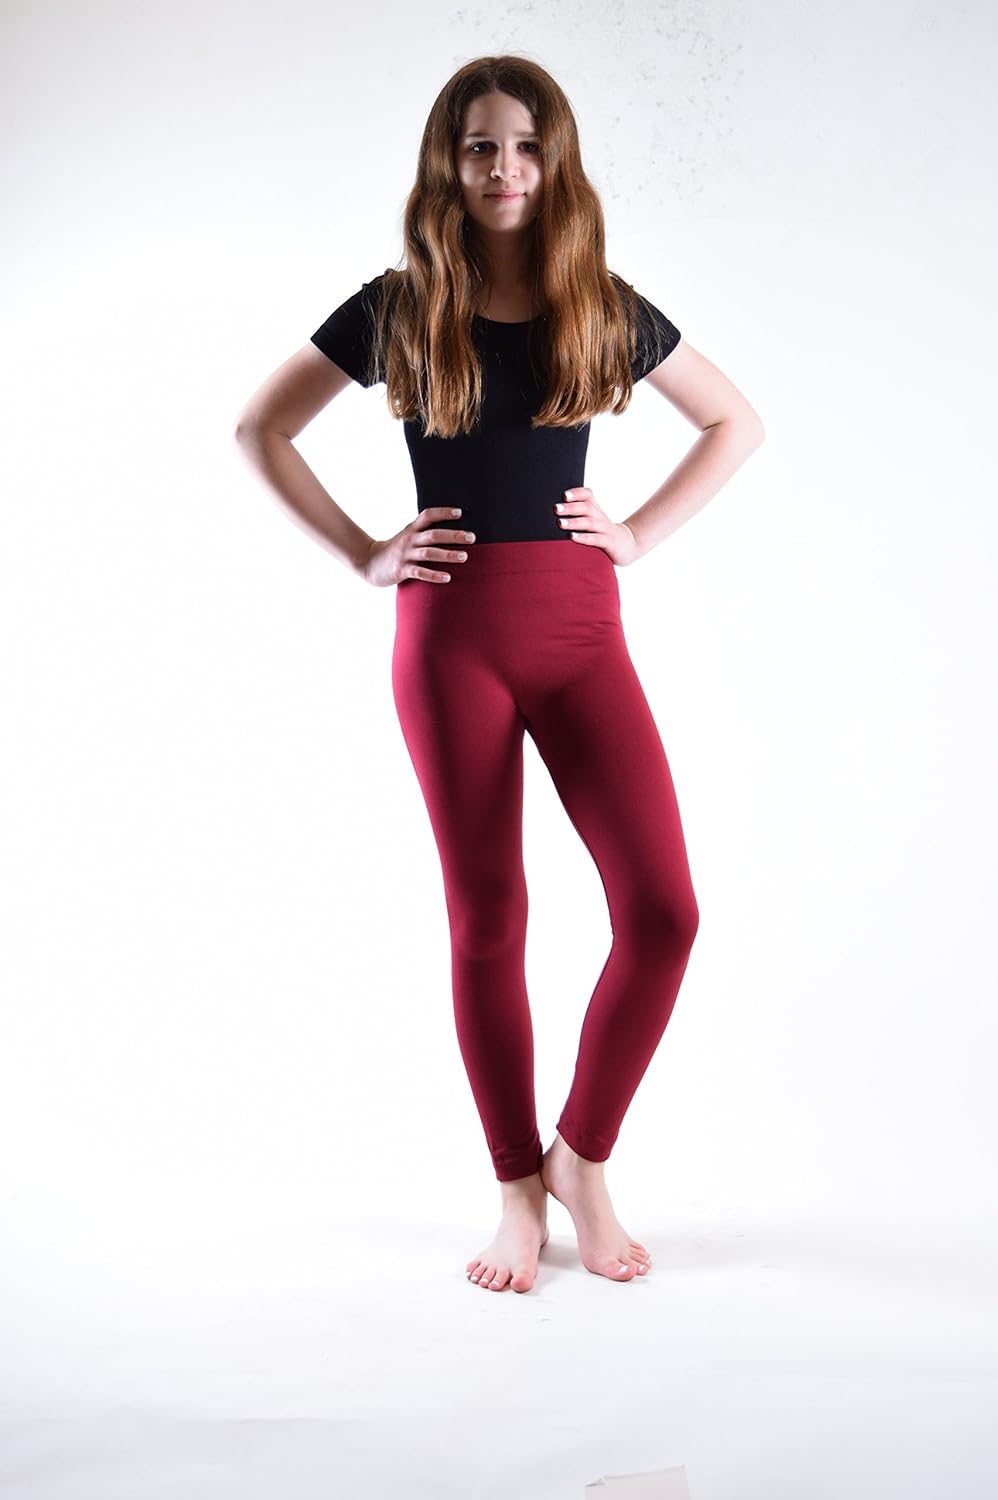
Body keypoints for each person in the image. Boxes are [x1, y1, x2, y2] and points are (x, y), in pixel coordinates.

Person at [234, 54, 765, 1296]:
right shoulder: (400, 305)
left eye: (526, 147)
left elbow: (734, 420)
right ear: (449, 162)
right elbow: (260, 427)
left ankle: (583, 1156)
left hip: (581, 631)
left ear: (555, 160)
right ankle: (516, 1187)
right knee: (489, 920)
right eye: (480, 147)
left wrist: (635, 533)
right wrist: (364, 552)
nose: (504, 169)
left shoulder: (598, 302)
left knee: (664, 912)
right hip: (449, 638)